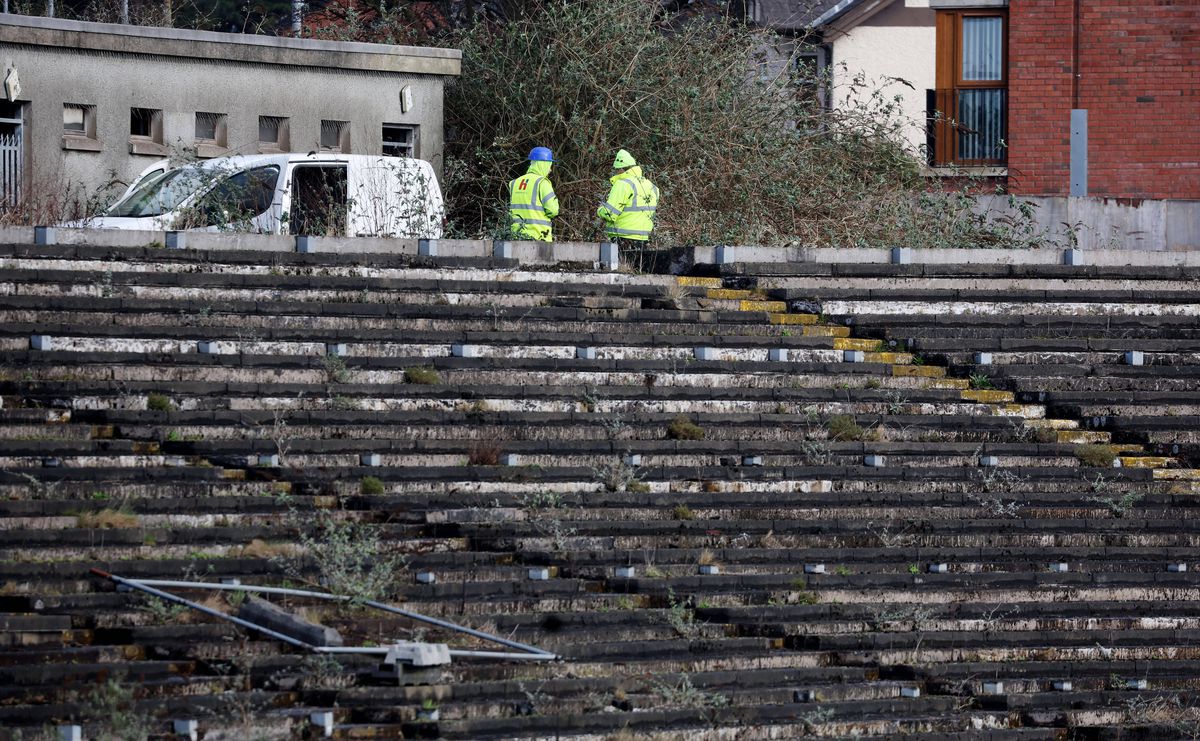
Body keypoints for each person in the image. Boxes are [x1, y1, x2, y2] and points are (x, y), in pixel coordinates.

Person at [596, 149, 659, 264]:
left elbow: (610, 214)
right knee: (638, 273)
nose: (615, 173)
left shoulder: (623, 184)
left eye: (616, 170)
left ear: (621, 169)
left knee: (621, 274)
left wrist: (600, 210)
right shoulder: (651, 186)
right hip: (643, 239)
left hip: (623, 238)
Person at [508, 146, 559, 242]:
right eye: (549, 166)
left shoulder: (514, 183)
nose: (550, 170)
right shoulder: (542, 183)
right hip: (538, 236)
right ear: (543, 164)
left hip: (515, 236)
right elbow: (553, 210)